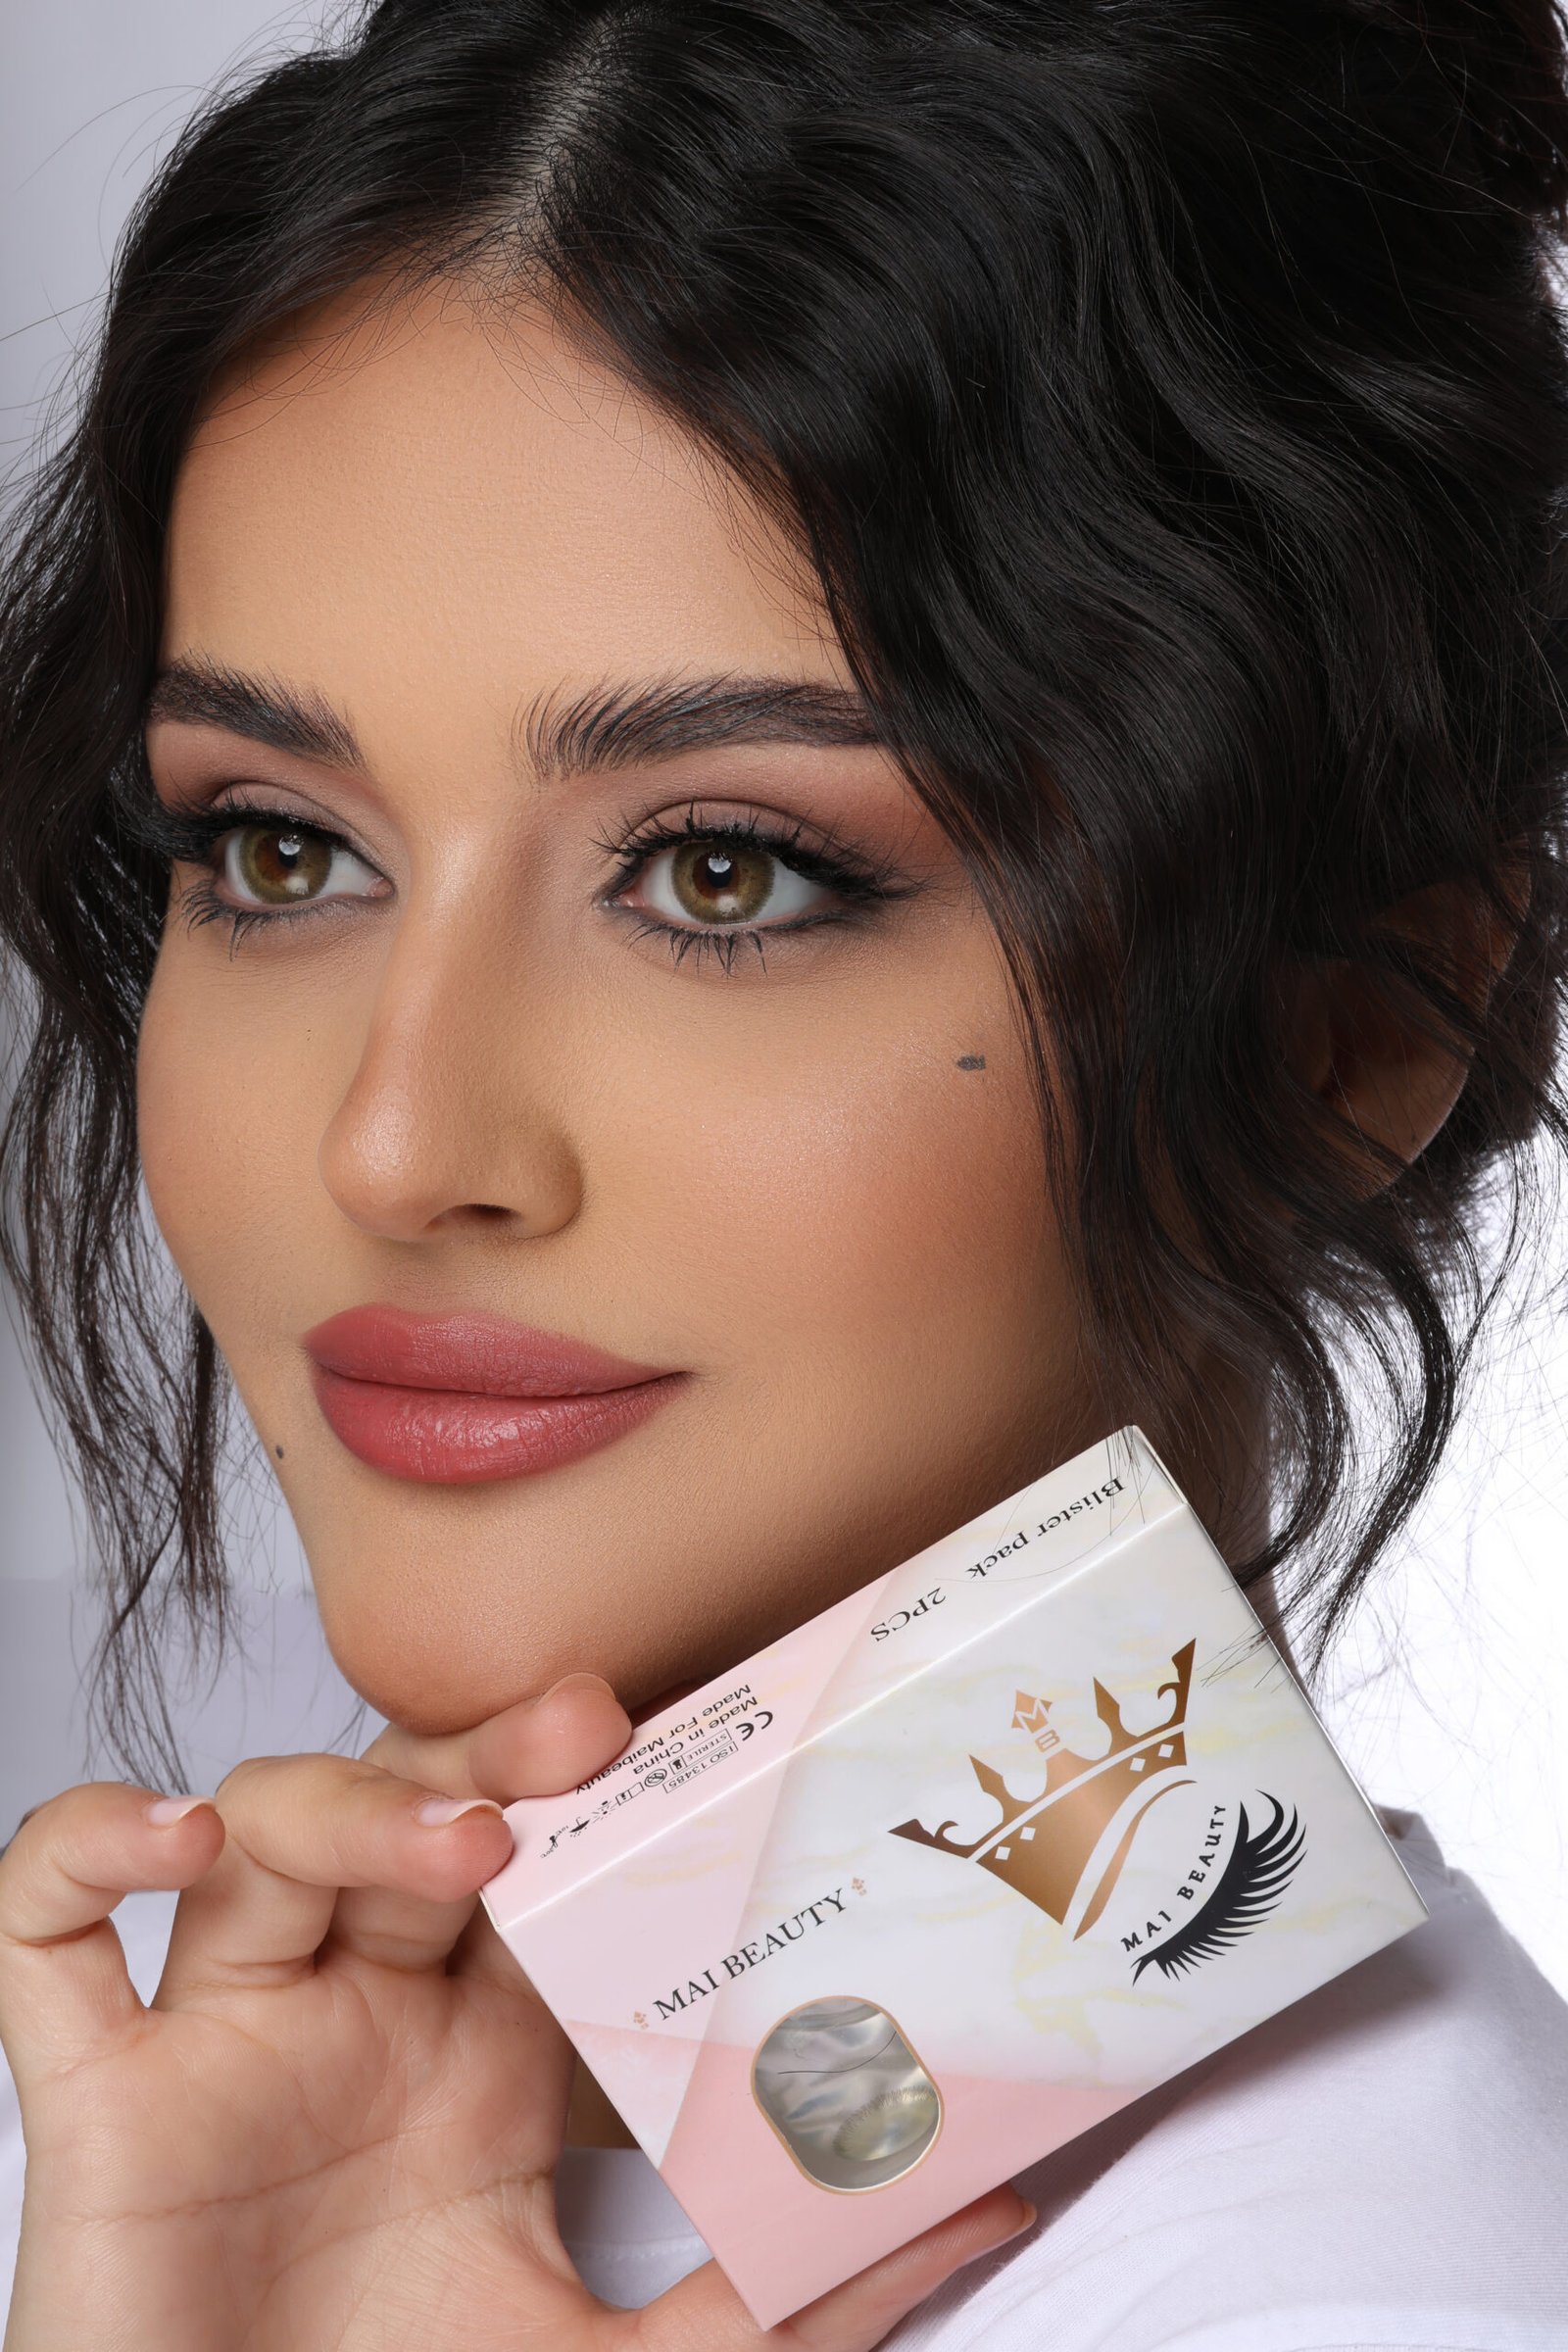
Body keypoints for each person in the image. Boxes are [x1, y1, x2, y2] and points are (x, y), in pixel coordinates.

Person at [0, 0, 1565, 2344]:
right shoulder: (151, 2183)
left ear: (1357, 1027)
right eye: (281, 847)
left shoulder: (1372, 2299)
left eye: (721, 873)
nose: (392, 1144)